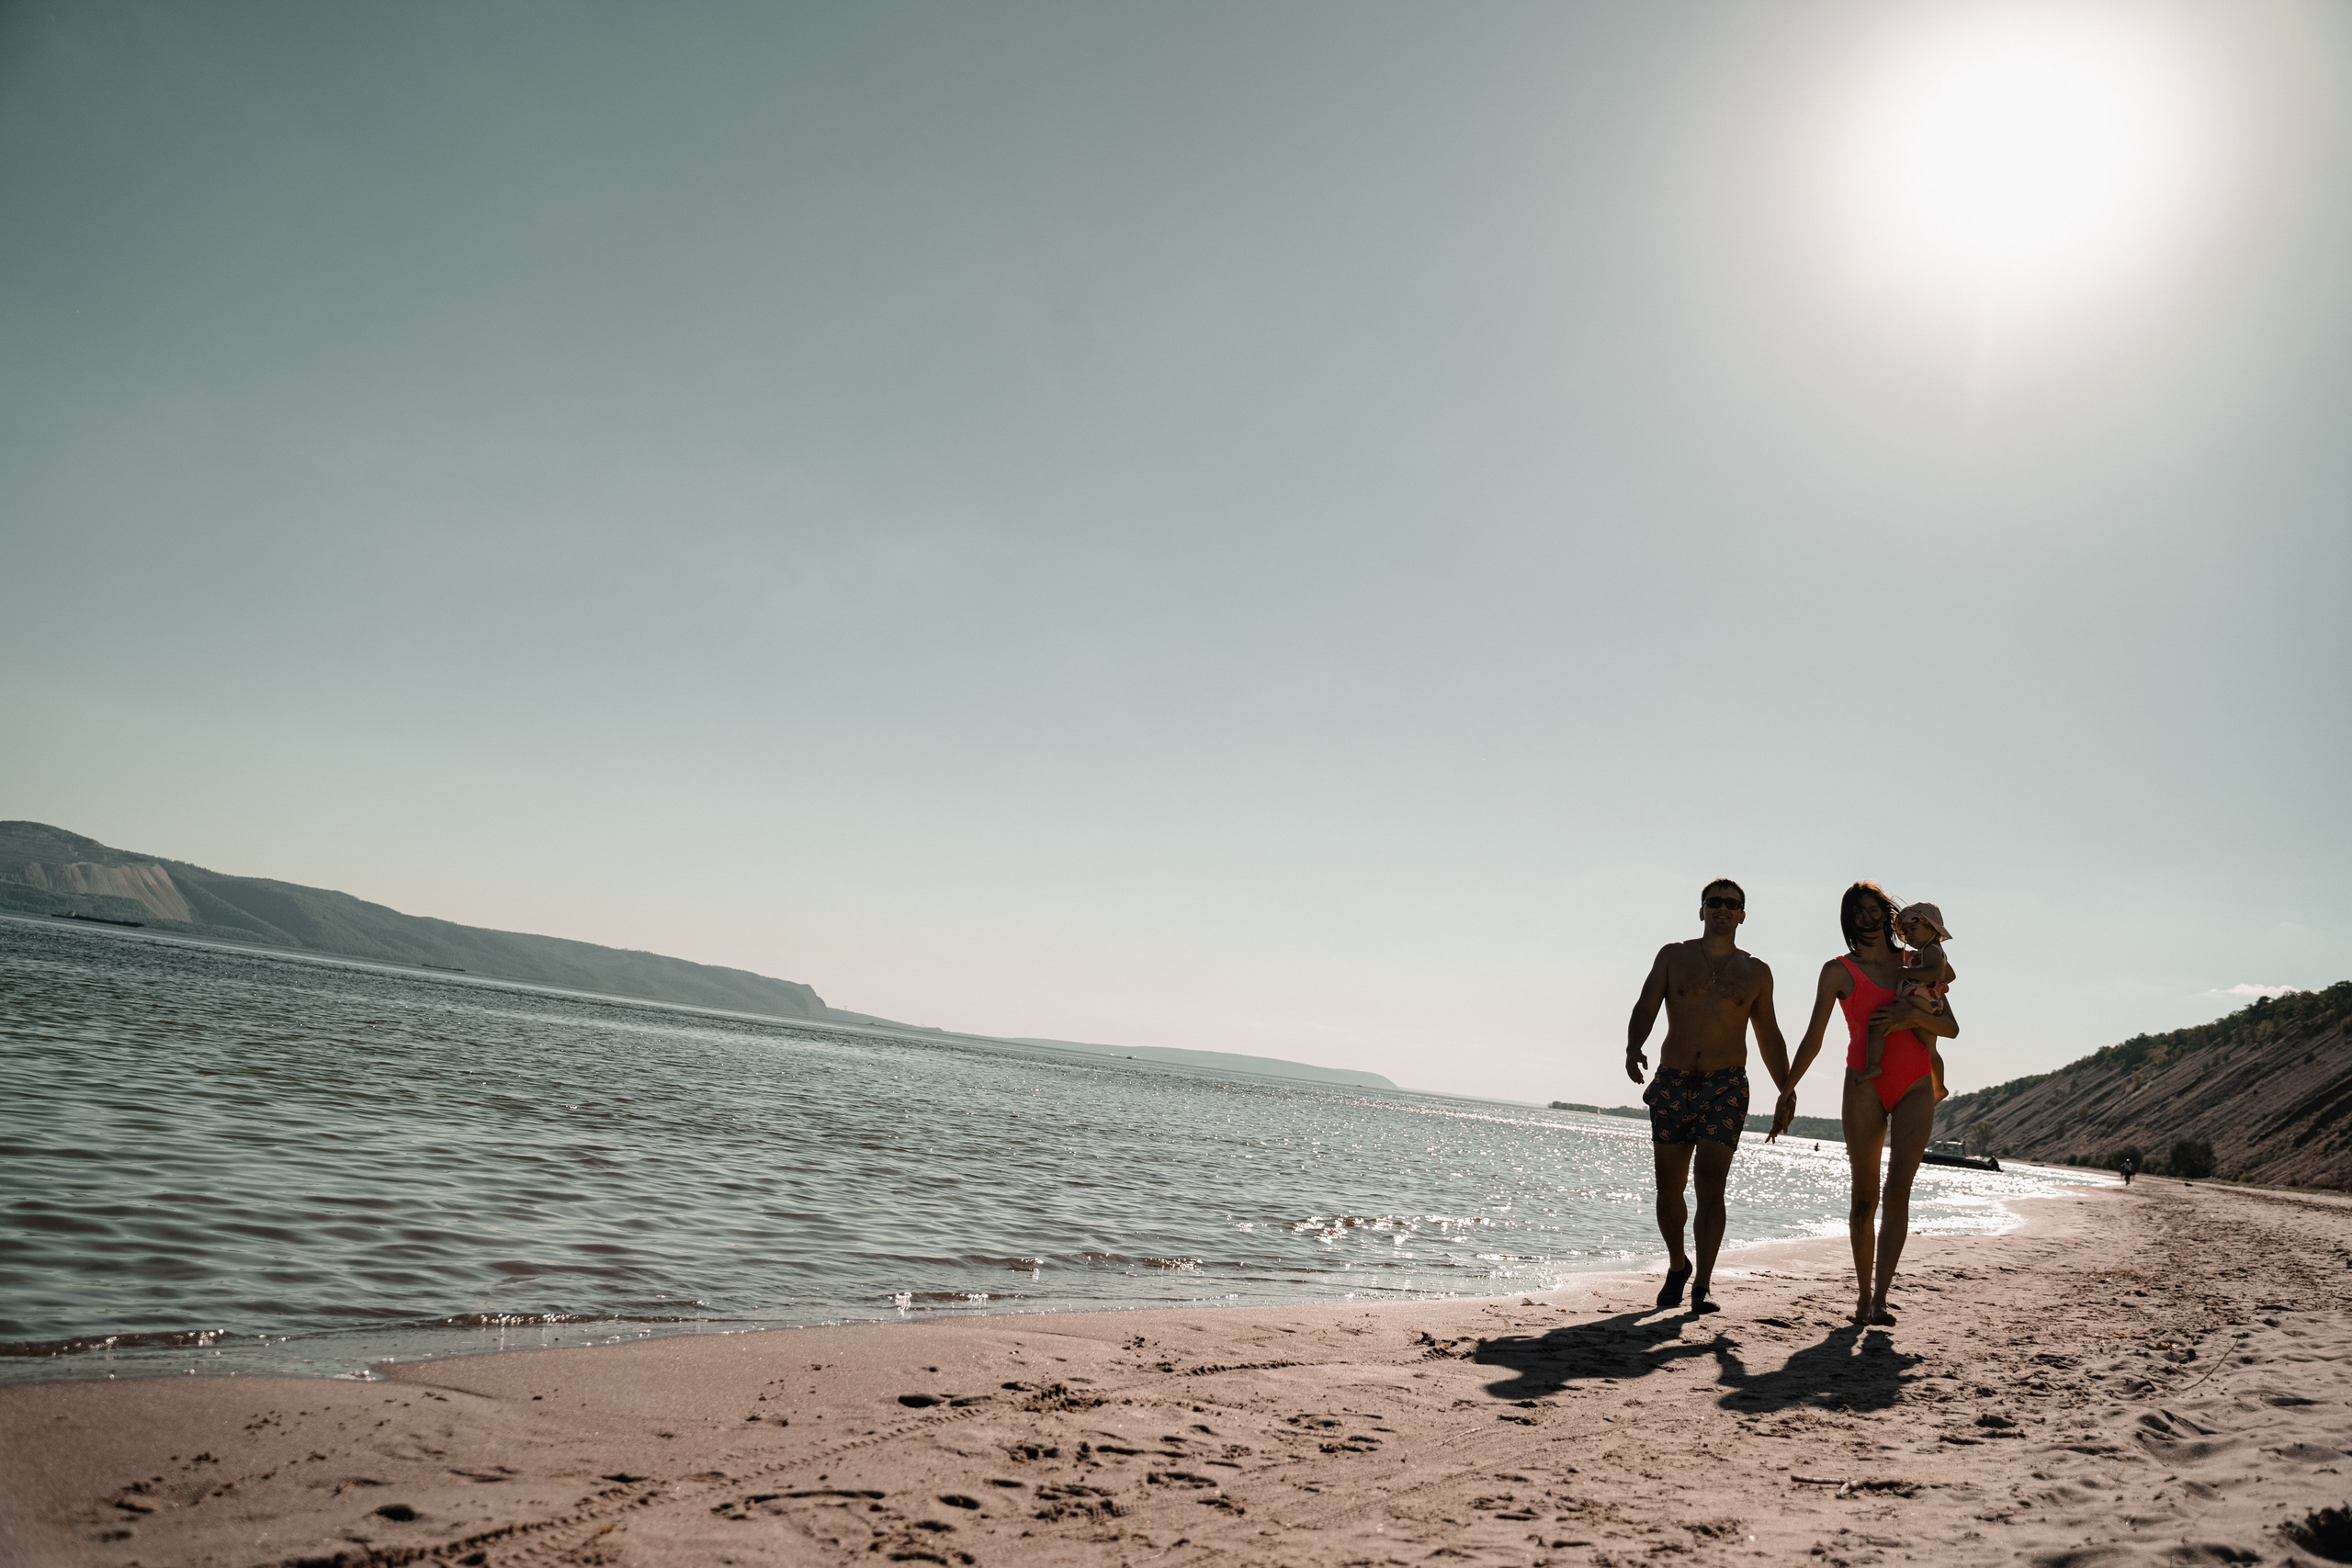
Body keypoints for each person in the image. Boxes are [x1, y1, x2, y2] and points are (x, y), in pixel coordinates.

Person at [1776, 881, 1958, 1325]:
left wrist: (1909, 1016)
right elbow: (1813, 1037)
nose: (1866, 917)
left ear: (1888, 914)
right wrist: (1787, 1089)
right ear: (1847, 919)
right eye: (1856, 910)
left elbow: (1950, 1027)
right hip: (1863, 1084)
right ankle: (1861, 1296)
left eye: (1873, 908)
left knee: (1899, 1193)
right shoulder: (1837, 971)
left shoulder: (1915, 962)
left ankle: (1880, 1300)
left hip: (1914, 1082)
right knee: (1863, 1199)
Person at [1623, 877, 1793, 1314]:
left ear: (1742, 915)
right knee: (1669, 1189)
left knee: (1711, 1187)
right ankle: (1678, 1265)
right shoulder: (1673, 956)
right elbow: (1647, 1004)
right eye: (1714, 902)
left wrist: (1786, 1087)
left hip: (1726, 1086)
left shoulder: (1756, 972)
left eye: (1731, 904)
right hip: (1673, 1081)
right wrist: (1633, 1045)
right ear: (1701, 911)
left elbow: (1769, 1034)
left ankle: (1702, 1284)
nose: (1722, 908)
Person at [1859, 901, 1955, 1103]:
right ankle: (1939, 1086)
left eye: (1913, 928)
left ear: (1931, 927)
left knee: (1882, 1021)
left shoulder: (1931, 950)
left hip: (1922, 1002)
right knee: (1929, 1047)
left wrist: (1908, 973)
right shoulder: (1925, 952)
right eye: (1906, 931)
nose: (1909, 935)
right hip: (1925, 1001)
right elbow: (1950, 975)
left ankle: (1874, 1064)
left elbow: (1937, 972)